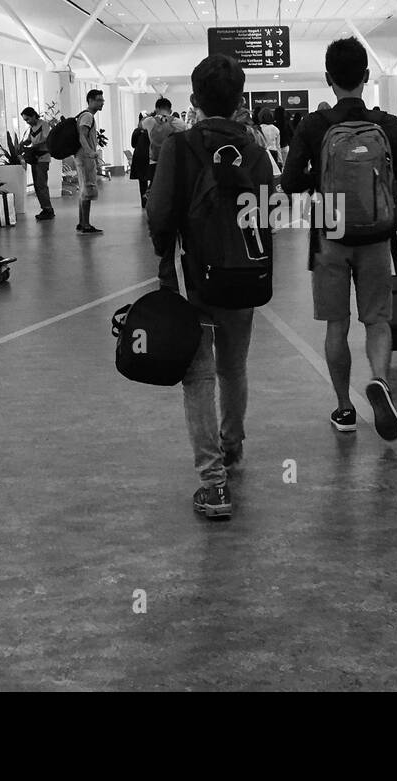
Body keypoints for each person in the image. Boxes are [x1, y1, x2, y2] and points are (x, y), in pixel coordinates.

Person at [147, 54, 275, 520]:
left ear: (195, 99)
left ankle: (213, 483)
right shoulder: (256, 147)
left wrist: (165, 261)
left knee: (197, 374)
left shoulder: (181, 148)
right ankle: (233, 444)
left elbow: (160, 213)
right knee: (233, 366)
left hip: (196, 277)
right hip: (245, 275)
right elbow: (270, 211)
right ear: (239, 98)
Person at [282, 37, 397, 440]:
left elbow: (288, 183)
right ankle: (379, 381)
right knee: (377, 320)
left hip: (329, 233)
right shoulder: (387, 125)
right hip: (376, 235)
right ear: (367, 76)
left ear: (328, 78)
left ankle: (344, 408)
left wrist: (320, 178)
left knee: (336, 325)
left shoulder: (314, 125)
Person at [74, 90, 105, 234]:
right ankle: (85, 224)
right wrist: (89, 151)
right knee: (88, 188)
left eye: (102, 99)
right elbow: (82, 135)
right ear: (90, 101)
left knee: (84, 190)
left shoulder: (87, 115)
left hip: (82, 156)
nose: (102, 102)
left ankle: (82, 222)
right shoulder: (87, 116)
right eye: (99, 100)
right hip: (85, 157)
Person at [20, 106, 54, 221]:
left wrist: (34, 146)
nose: (27, 122)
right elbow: (30, 139)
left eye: (28, 119)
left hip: (43, 158)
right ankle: (44, 208)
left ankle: (48, 209)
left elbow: (46, 138)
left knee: (41, 184)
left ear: (34, 115)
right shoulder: (32, 128)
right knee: (37, 185)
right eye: (25, 120)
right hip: (35, 158)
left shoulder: (43, 124)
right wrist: (23, 143)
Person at [146, 97, 181, 196]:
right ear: (170, 110)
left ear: (156, 109)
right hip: (170, 159)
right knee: (170, 186)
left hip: (154, 159)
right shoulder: (178, 123)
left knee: (154, 187)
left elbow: (140, 125)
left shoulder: (149, 121)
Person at [129, 113, 152, 209]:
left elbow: (133, 144)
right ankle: (149, 200)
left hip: (139, 158)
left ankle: (144, 201)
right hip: (150, 157)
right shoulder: (151, 130)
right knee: (153, 178)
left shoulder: (136, 131)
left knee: (142, 181)